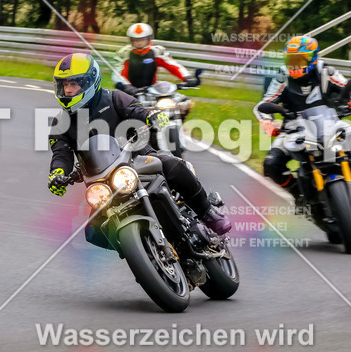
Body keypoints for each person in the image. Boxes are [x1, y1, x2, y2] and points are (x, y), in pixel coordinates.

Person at [46, 53, 231, 235]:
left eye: (73, 84)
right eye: (64, 85)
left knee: (172, 165)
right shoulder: (60, 123)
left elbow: (136, 110)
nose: (67, 90)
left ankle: (208, 213)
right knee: (94, 233)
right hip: (102, 181)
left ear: (89, 82)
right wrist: (57, 173)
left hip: (137, 158)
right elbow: (61, 153)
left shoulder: (114, 98)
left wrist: (151, 117)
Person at [253, 35, 351, 203]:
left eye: (300, 60)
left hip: (329, 123)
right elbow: (263, 105)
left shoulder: (326, 72)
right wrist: (268, 122)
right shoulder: (282, 78)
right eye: (291, 60)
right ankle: (298, 194)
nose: (295, 65)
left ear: (313, 59)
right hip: (294, 130)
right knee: (271, 164)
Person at [114, 22, 197, 95]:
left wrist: (187, 77)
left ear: (149, 39)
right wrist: (126, 86)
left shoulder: (157, 51)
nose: (139, 43)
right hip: (130, 91)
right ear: (131, 40)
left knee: (180, 101)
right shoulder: (125, 53)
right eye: (135, 40)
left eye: (142, 39)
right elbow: (118, 72)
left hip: (152, 91)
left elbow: (173, 66)